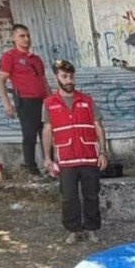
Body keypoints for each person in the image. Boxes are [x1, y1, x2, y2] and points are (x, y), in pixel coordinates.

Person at [41, 60, 108, 245]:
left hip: (88, 157)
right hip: (66, 159)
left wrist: (103, 152)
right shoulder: (49, 103)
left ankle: (92, 229)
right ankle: (73, 230)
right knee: (68, 197)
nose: (69, 80)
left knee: (92, 195)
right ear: (56, 78)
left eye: (71, 76)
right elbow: (47, 130)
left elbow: (98, 127)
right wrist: (47, 157)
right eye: (64, 76)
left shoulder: (87, 100)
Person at [0, 24, 51, 176]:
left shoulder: (36, 59)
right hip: (26, 101)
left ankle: (50, 164)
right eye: (22, 36)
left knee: (47, 133)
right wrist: (7, 103)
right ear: (13, 38)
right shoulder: (10, 57)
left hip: (43, 100)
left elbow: (43, 80)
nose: (26, 39)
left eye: (28, 36)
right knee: (29, 135)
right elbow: (1, 79)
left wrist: (52, 100)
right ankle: (31, 168)